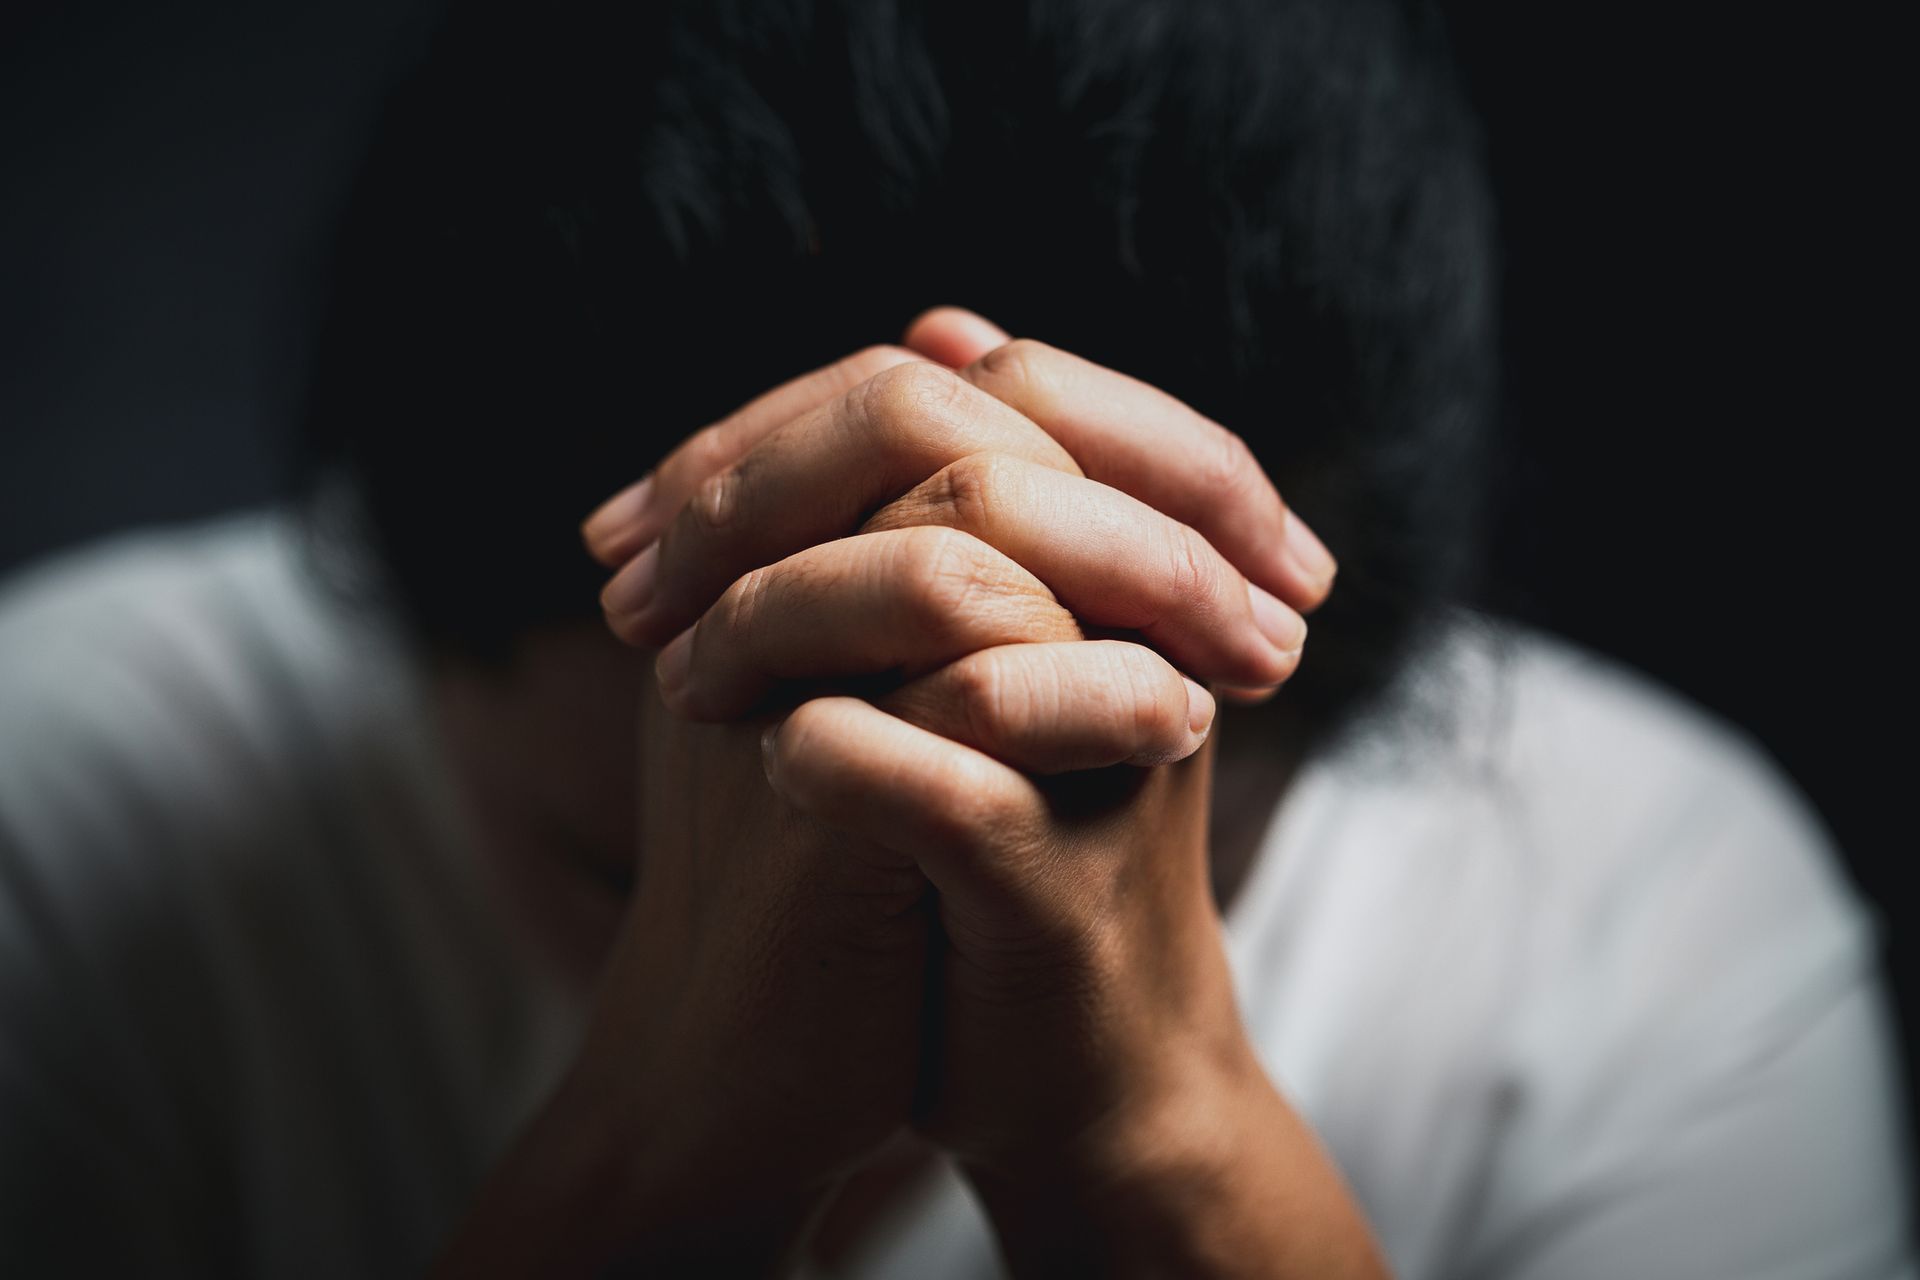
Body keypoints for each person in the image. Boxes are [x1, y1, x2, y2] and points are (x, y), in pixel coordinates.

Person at [0, 1, 1909, 1276]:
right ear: (392, 612)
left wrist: (1159, 1136)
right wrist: (661, 1159)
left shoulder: (1638, 929)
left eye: (1130, 848)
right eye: (622, 872)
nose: (869, 1075)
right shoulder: (62, 819)